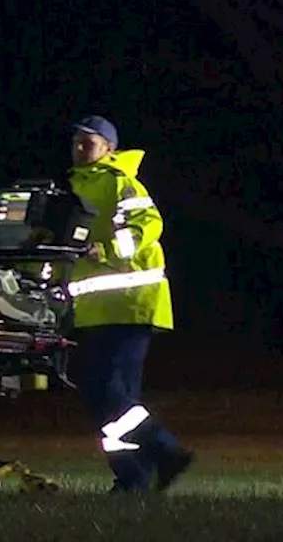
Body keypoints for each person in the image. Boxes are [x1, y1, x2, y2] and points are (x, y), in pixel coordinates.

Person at [67, 115, 193, 493]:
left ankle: (165, 452)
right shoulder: (74, 190)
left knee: (110, 395)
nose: (77, 147)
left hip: (130, 305)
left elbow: (145, 227)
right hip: (95, 310)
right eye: (74, 141)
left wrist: (103, 250)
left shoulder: (121, 183)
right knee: (101, 399)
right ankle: (133, 478)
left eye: (87, 141)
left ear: (109, 148)